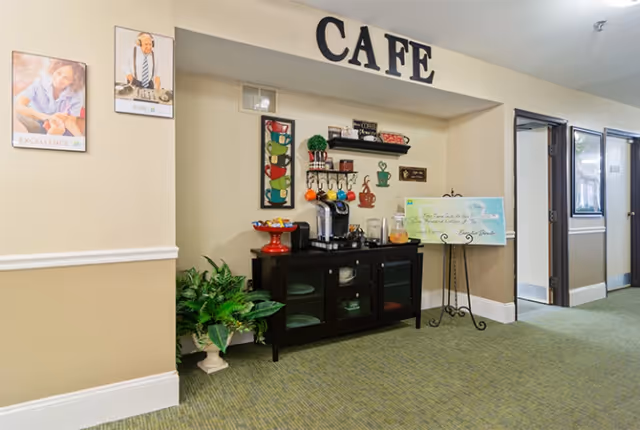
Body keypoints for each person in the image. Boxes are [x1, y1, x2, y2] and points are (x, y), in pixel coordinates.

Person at [14, 59, 85, 136]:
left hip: (55, 127)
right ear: (54, 70)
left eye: (66, 78)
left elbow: (70, 122)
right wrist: (47, 117)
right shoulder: (39, 83)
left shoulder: (76, 95)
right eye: (58, 73)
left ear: (73, 81)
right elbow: (18, 106)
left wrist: (80, 139)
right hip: (33, 120)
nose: (59, 79)